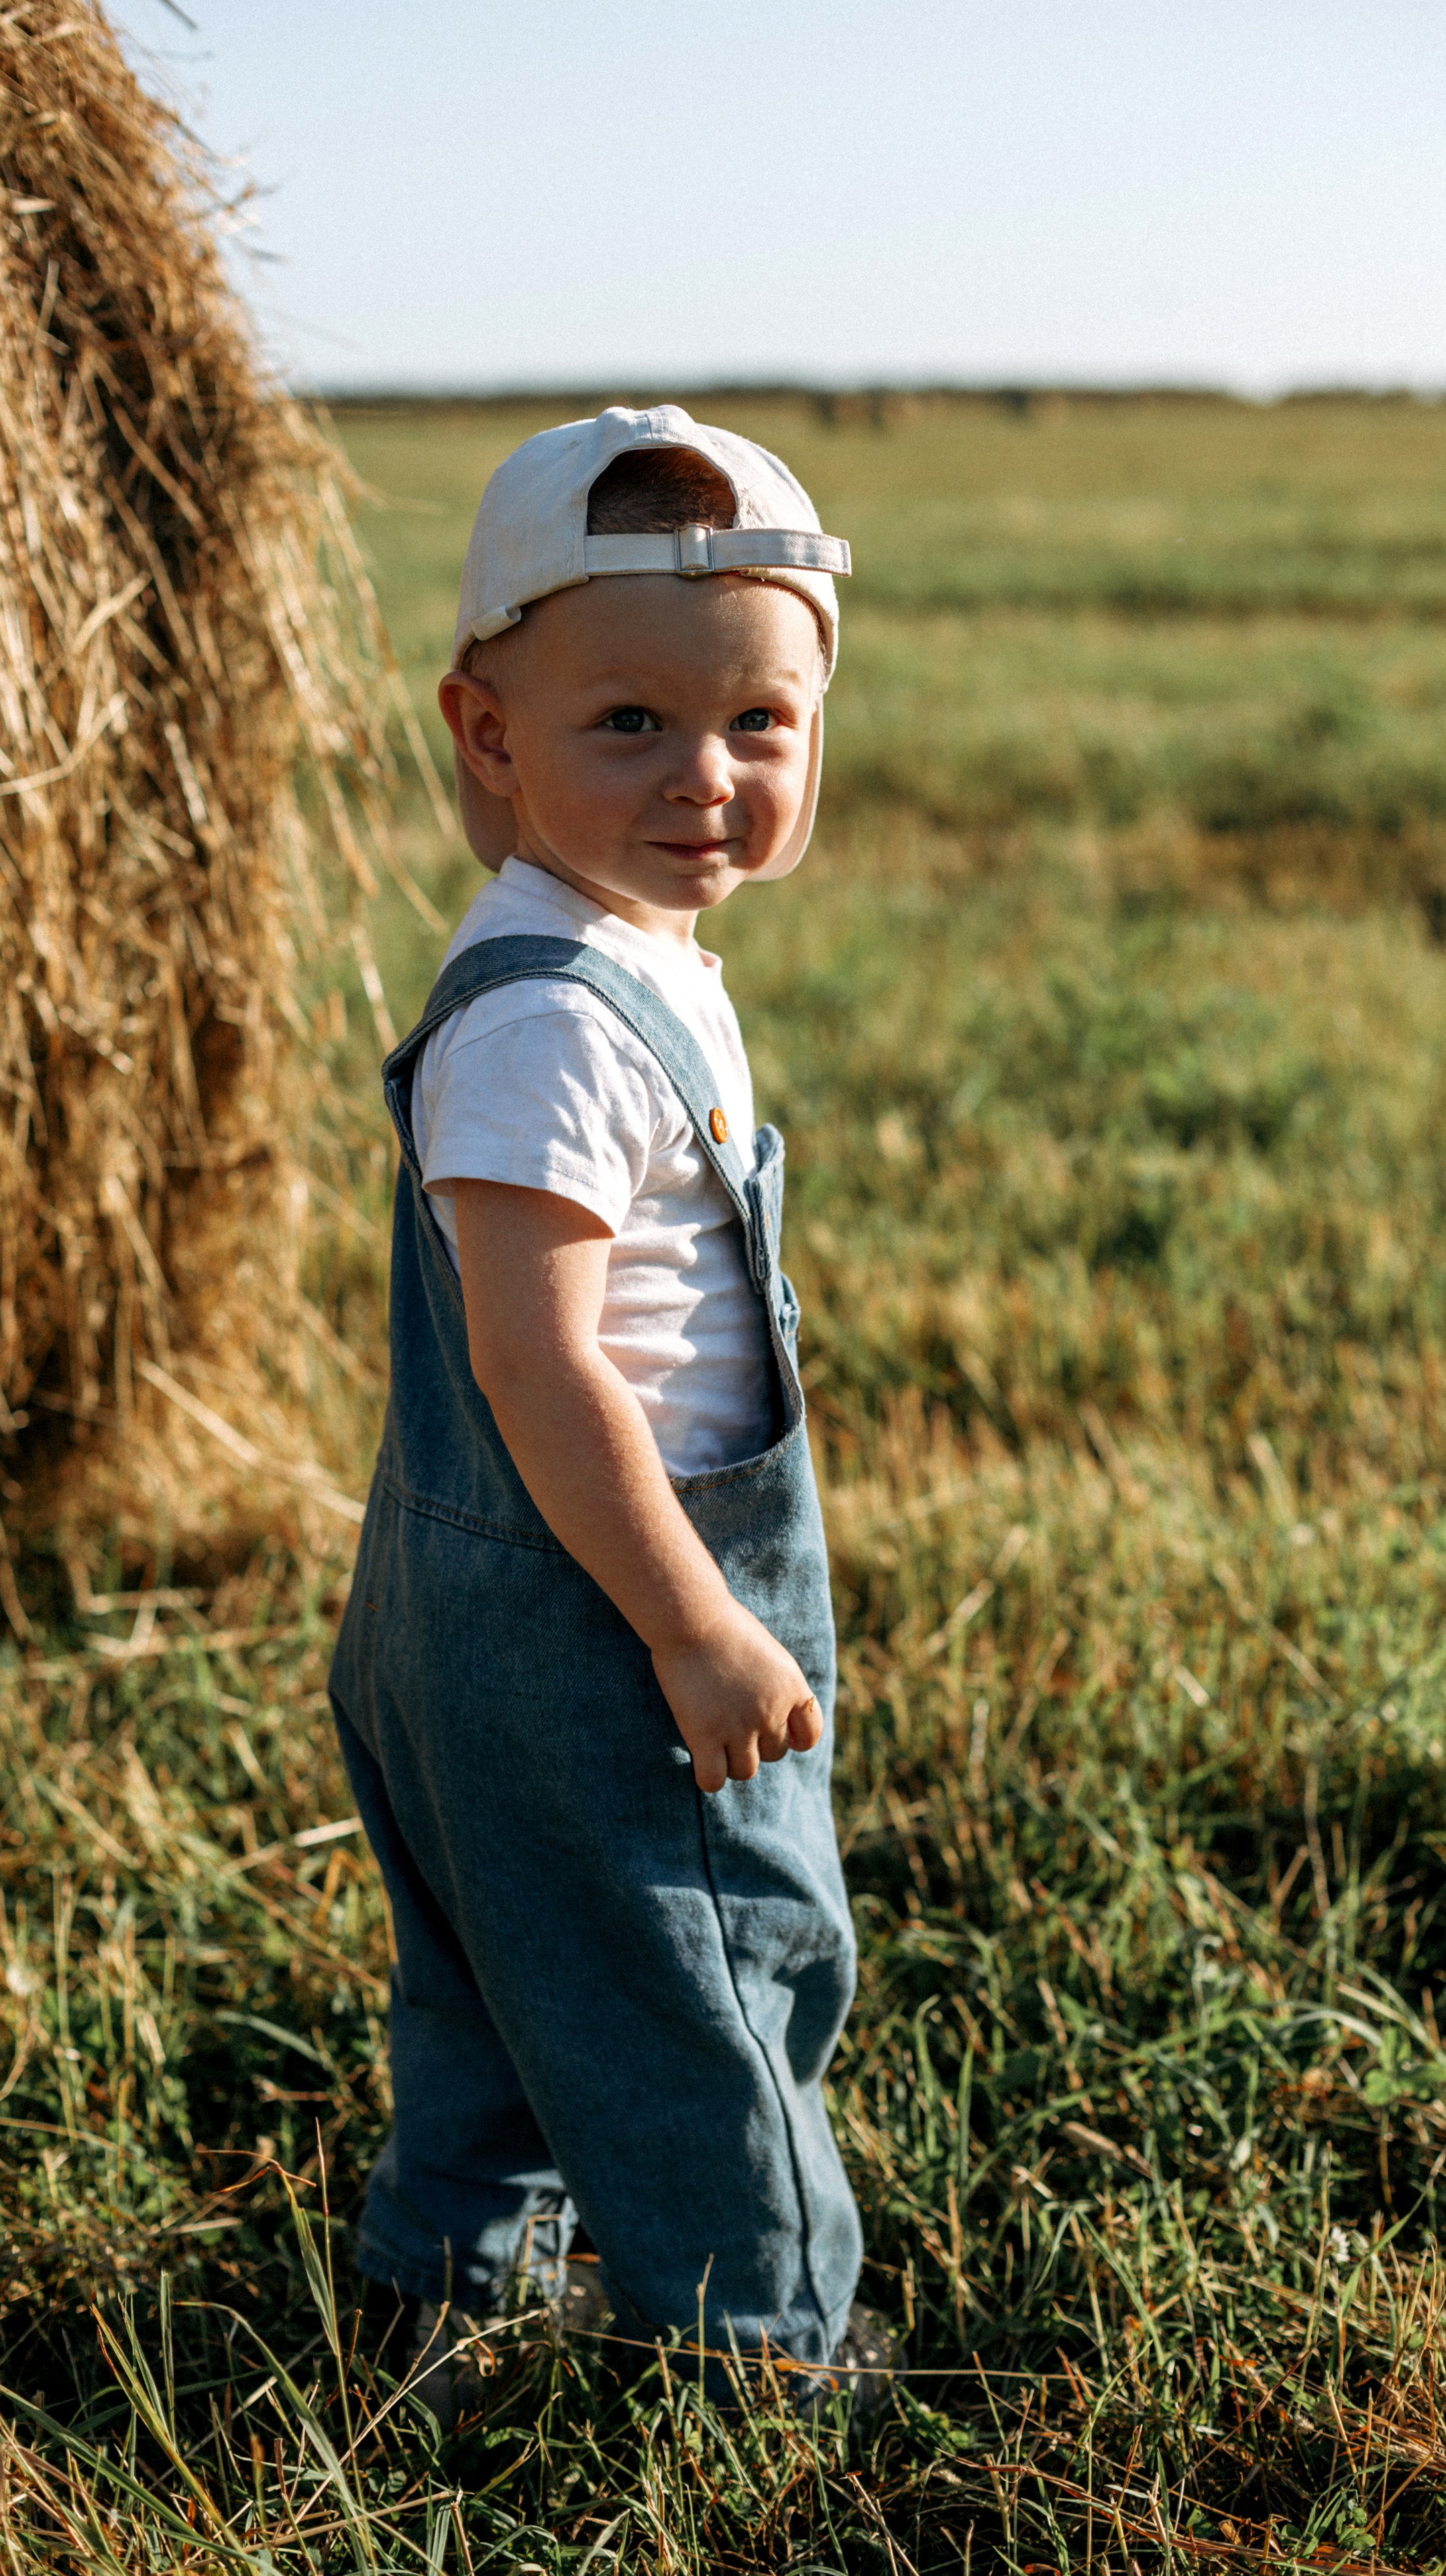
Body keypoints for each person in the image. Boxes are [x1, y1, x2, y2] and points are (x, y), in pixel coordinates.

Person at [328, 404, 894, 2422]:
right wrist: (689, 1620)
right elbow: (541, 1360)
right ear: (489, 735)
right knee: (704, 1980)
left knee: (498, 1977)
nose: (708, 780)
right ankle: (764, 2369)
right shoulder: (558, 1016)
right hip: (592, 1613)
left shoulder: (602, 951)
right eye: (630, 725)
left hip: (460, 1610)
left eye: (759, 725)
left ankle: (441, 2302)